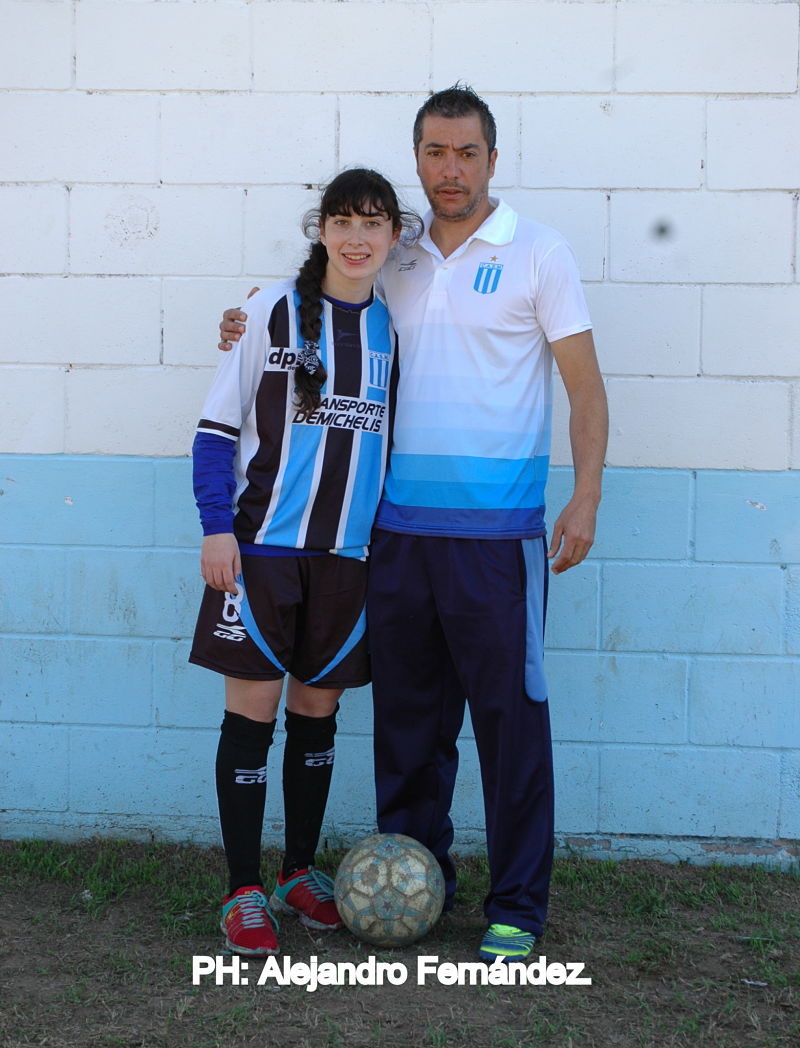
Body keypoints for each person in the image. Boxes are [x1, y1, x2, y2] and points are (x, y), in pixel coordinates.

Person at [218, 85, 609, 962]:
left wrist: (584, 495)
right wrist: (244, 318)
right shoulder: (395, 253)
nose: (451, 169)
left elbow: (585, 387)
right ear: (419, 158)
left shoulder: (540, 253)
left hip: (498, 539)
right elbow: (314, 294)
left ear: (492, 161)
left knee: (510, 726)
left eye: (467, 153)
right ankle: (414, 879)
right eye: (435, 152)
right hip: (392, 540)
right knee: (408, 728)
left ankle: (517, 905)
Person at [192, 168, 419, 957]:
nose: (359, 238)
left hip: (349, 563)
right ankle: (242, 889)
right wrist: (216, 528)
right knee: (249, 719)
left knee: (317, 717)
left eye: (375, 224)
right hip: (259, 555)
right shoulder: (267, 311)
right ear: (321, 229)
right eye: (344, 221)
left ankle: (296, 875)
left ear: (394, 238)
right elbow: (216, 430)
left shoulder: (395, 327)